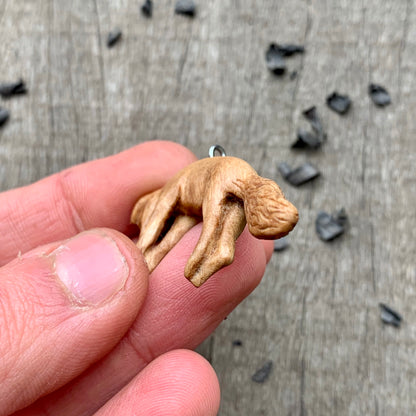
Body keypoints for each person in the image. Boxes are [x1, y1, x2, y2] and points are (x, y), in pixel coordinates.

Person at [0, 141, 273, 415]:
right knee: (211, 236)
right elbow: (176, 232)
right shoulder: (198, 187)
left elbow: (154, 229)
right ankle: (201, 270)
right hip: (232, 177)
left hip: (221, 179)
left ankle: (197, 271)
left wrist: (141, 251)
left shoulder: (173, 189)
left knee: (207, 231)